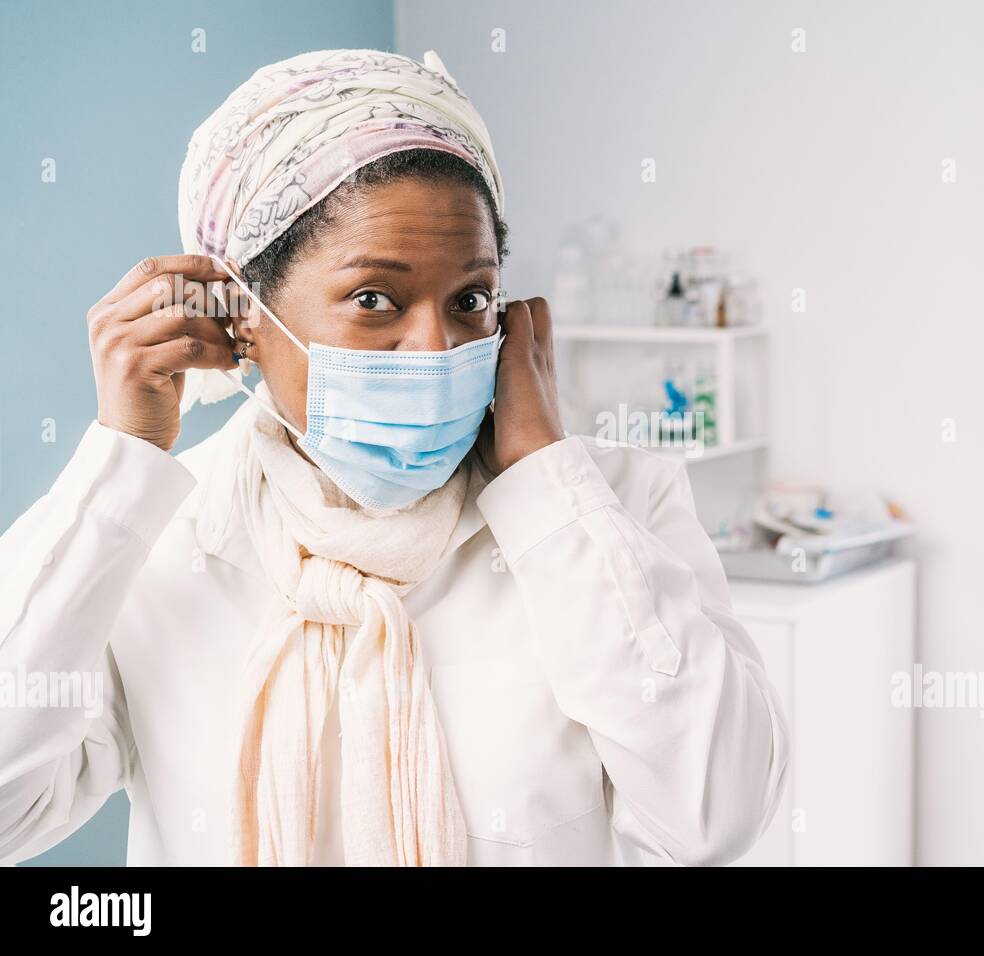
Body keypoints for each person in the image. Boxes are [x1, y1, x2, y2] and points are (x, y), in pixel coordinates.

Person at [0, 48, 789, 867]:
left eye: (471, 300)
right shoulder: (164, 541)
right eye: (375, 299)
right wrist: (119, 465)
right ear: (245, 318)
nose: (435, 347)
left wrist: (546, 483)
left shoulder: (612, 507)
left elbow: (713, 818)